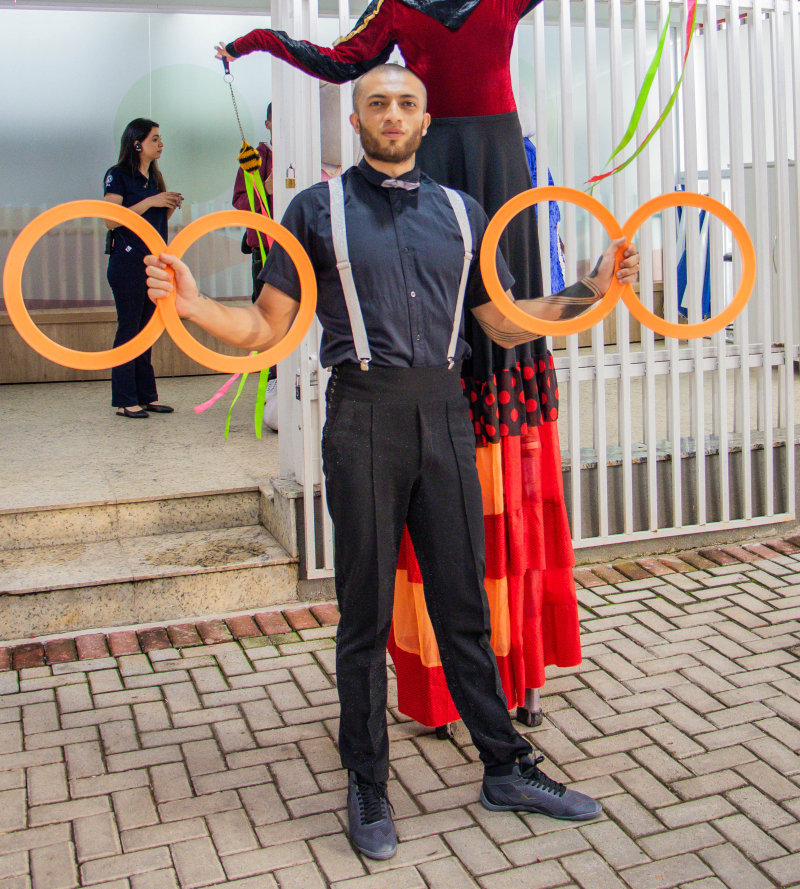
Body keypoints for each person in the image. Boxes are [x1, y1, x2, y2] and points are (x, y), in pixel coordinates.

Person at [214, 0, 664, 728]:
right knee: (431, 327)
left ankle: (510, 667)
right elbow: (341, 62)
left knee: (504, 318)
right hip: (434, 171)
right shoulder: (396, 2)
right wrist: (262, 40)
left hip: (497, 168)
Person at [145, 65, 640, 860]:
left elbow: (505, 324)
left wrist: (591, 287)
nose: (393, 114)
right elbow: (265, 328)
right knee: (364, 615)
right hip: (363, 416)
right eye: (377, 103)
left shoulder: (463, 212)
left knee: (463, 605)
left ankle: (505, 767)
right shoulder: (315, 211)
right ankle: (368, 782)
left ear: (425, 119)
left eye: (407, 103)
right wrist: (192, 303)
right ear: (357, 120)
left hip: (446, 413)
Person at [103, 118, 183, 419]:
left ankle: (146, 396)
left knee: (147, 329)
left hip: (153, 263)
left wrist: (168, 204)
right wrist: (151, 201)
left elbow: (153, 223)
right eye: (154, 139)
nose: (161, 144)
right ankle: (125, 399)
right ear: (137, 144)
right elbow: (111, 220)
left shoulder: (154, 178)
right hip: (127, 262)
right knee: (129, 328)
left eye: (160, 138)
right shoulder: (118, 175)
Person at [232, 102, 274, 302]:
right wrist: (264, 190)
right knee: (263, 306)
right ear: (268, 124)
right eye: (277, 119)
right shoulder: (254, 159)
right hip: (264, 247)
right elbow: (239, 203)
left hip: (298, 244)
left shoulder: (305, 157)